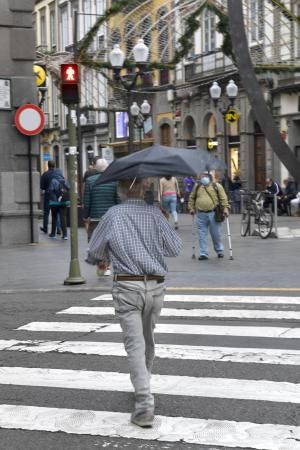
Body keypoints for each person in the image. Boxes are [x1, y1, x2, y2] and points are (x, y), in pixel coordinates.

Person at [87, 178, 182, 428]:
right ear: (143, 189)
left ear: (122, 190)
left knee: (135, 345)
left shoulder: (113, 214)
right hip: (156, 285)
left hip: (128, 286)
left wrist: (104, 257)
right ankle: (144, 384)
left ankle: (143, 403)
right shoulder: (155, 213)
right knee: (147, 340)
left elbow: (95, 249)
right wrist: (158, 225)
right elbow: (174, 248)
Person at [83, 158, 119, 276]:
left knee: (96, 242)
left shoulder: (89, 181)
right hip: (110, 218)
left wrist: (86, 215)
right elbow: (117, 200)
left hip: (95, 218)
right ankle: (107, 266)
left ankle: (100, 265)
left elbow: (87, 200)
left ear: (96, 168)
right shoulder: (114, 181)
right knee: (109, 242)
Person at [188, 171, 229, 260]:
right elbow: (192, 197)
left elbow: (223, 198)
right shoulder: (197, 186)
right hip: (200, 213)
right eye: (202, 176)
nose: (203, 178)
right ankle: (203, 253)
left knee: (216, 234)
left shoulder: (217, 186)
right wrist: (191, 208)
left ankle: (219, 250)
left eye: (205, 176)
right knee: (201, 234)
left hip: (213, 213)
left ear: (210, 177)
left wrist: (225, 208)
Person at [40, 160, 63, 234]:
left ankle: (45, 228)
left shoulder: (45, 174)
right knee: (56, 212)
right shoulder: (59, 173)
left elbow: (42, 186)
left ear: (48, 165)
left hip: (48, 195)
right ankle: (59, 229)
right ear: (54, 165)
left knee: (46, 212)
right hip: (56, 195)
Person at [48, 173, 70, 240]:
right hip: (63, 202)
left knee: (54, 217)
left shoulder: (53, 180)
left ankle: (53, 234)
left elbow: (50, 190)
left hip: (54, 202)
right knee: (63, 217)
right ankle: (65, 235)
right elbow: (69, 188)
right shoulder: (64, 180)